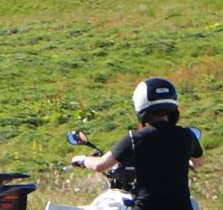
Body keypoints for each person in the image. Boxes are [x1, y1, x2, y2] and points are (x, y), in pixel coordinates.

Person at [71, 77, 203, 210]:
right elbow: (198, 162)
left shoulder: (135, 138)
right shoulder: (187, 135)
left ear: (140, 105)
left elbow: (99, 165)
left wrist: (83, 159)